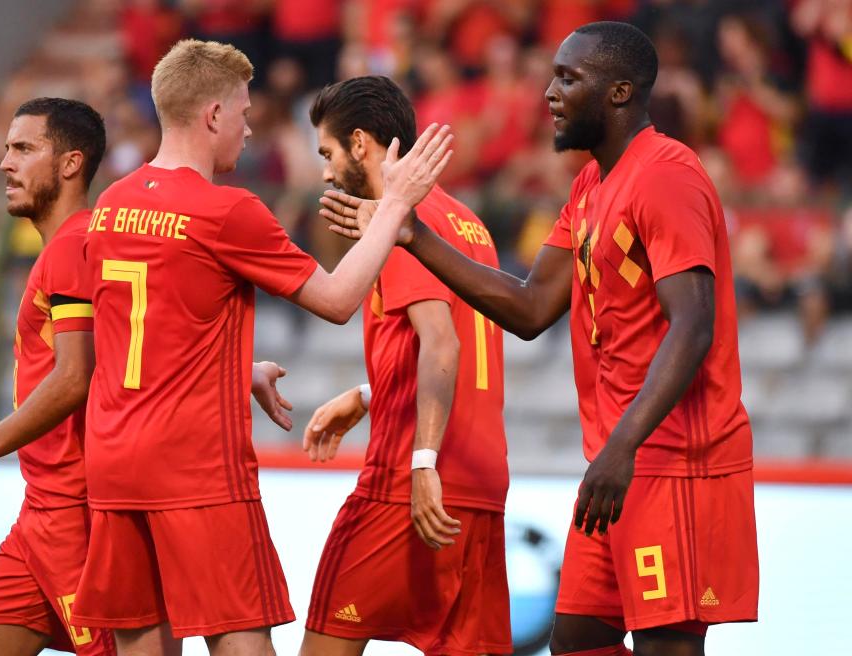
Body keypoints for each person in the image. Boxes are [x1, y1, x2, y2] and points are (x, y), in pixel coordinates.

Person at [320, 21, 759, 656]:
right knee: (577, 637)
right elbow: (528, 307)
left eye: (568, 78)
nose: (549, 92)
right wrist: (410, 234)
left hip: (674, 461)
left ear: (619, 92)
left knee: (668, 644)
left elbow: (694, 325)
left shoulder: (666, 174)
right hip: (619, 459)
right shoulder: (589, 187)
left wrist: (621, 448)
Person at [69, 40, 452, 656]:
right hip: (195, 466)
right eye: (244, 115)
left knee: (141, 639)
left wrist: (232, 370)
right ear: (214, 115)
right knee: (240, 638)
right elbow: (336, 300)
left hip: (114, 461)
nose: (249, 131)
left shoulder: (111, 204)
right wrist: (397, 204)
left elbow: (132, 335)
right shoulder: (227, 211)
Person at [0, 97, 295, 656]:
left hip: (79, 515)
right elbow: (138, 346)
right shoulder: (76, 246)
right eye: (6, 148)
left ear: (71, 164)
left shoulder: (74, 248)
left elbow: (77, 376)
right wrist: (241, 371)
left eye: (23, 148)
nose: (5, 163)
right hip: (37, 517)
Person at [300, 76, 511, 656]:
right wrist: (368, 395)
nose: (323, 171)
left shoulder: (397, 222)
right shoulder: (468, 223)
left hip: (411, 483)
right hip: (482, 485)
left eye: (327, 152)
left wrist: (422, 464)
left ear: (361, 143)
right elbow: (452, 344)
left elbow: (442, 343)